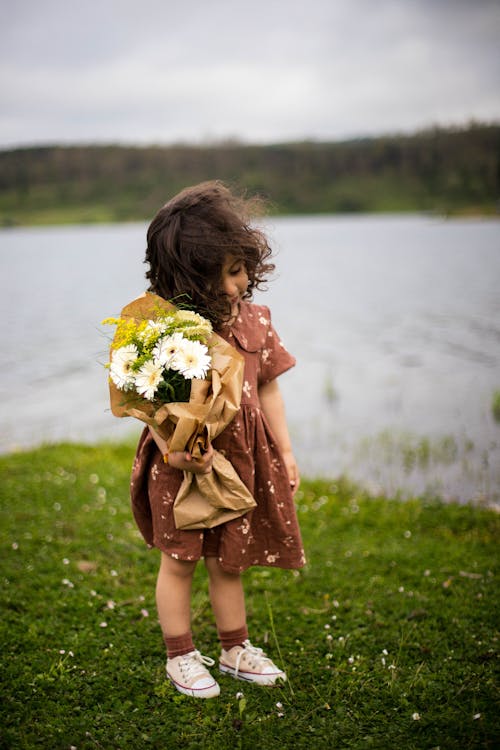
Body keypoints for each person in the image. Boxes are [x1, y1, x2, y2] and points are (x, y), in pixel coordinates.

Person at [128, 181, 305, 699]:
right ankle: (180, 655)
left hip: (243, 460)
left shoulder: (256, 321)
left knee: (231, 558)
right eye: (226, 273)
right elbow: (152, 403)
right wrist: (171, 446)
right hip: (181, 464)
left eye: (243, 268)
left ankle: (234, 648)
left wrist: (286, 450)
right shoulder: (165, 331)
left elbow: (267, 385)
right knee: (180, 559)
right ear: (188, 275)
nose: (240, 282)